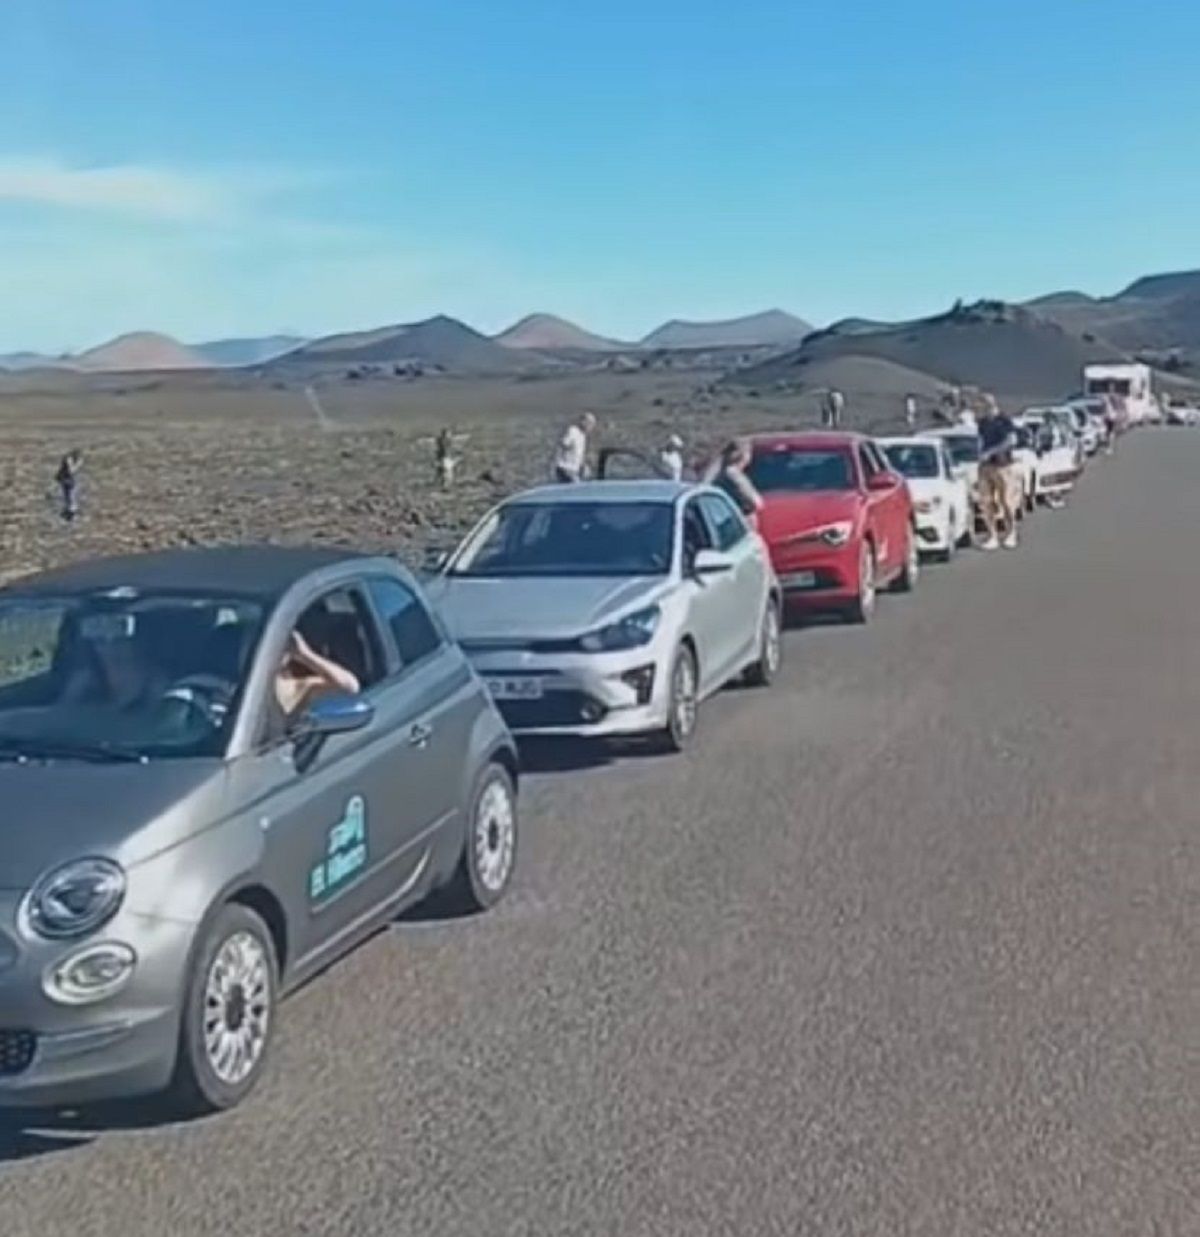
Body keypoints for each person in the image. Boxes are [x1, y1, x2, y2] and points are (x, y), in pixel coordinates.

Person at [275, 629, 360, 723]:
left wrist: (304, 654)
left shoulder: (297, 688)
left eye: (285, 646)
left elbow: (349, 687)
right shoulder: (257, 678)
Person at [977, 400, 1020, 550]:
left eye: (984, 407)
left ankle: (1011, 532)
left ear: (992, 406)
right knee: (986, 501)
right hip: (985, 467)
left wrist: (991, 452)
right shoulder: (982, 423)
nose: (982, 410)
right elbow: (981, 440)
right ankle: (992, 535)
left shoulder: (1004, 421)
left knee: (1006, 501)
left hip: (1003, 466)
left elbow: (1011, 441)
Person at [703, 438, 764, 523]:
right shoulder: (735, 476)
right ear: (744, 455)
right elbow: (756, 502)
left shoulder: (720, 474)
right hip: (739, 521)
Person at [553, 412, 596, 483]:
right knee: (576, 486)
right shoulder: (573, 431)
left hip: (574, 469)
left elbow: (579, 454)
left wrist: (583, 465)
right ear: (584, 422)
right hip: (566, 468)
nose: (591, 428)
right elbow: (564, 444)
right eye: (590, 424)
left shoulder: (583, 436)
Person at [55, 449, 83, 522]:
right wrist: (78, 465)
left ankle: (69, 511)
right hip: (66, 479)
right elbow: (71, 470)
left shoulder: (69, 459)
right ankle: (69, 511)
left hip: (66, 479)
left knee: (69, 496)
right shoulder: (69, 460)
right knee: (70, 495)